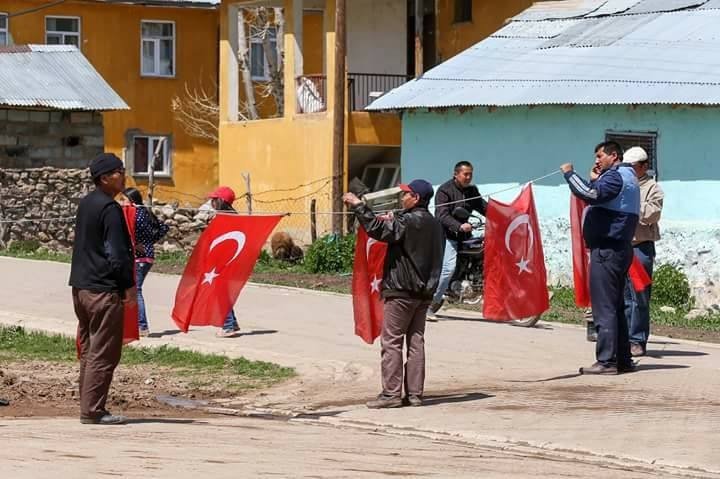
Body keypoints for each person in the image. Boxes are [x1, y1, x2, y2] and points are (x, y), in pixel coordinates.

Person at [343, 179, 444, 408]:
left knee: (392, 342)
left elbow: (378, 229)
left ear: (416, 198)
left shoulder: (406, 221)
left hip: (401, 291)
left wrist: (358, 205)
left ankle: (391, 394)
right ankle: (415, 394)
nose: (402, 197)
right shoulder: (437, 225)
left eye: (406, 194)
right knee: (416, 342)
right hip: (425, 292)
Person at [561, 141, 639, 375]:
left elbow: (590, 194)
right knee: (615, 306)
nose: (596, 161)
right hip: (618, 248)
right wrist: (596, 178)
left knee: (604, 307)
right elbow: (602, 194)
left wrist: (569, 174)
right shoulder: (628, 176)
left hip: (607, 250)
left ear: (614, 155)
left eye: (600, 156)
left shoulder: (616, 177)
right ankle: (623, 359)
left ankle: (607, 361)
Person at [69, 153, 135, 425]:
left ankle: (88, 406)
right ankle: (93, 410)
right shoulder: (110, 209)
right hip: (103, 291)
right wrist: (128, 286)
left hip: (81, 288)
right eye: (118, 171)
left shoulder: (87, 204)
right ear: (105, 178)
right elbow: (117, 254)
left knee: (89, 349)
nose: (123, 175)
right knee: (104, 351)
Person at [428, 161, 488, 321]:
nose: (468, 177)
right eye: (465, 174)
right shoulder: (444, 191)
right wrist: (459, 226)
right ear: (456, 174)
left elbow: (483, 207)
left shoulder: (472, 191)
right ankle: (430, 305)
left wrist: (502, 216)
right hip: (446, 235)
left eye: (471, 174)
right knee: (448, 268)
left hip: (464, 235)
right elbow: (441, 215)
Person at [622, 147, 664, 357]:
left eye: (633, 167)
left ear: (644, 166)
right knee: (624, 296)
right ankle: (624, 338)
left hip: (640, 247)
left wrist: (630, 204)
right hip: (623, 246)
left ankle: (637, 339)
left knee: (640, 297)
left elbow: (652, 214)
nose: (629, 171)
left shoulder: (652, 188)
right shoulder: (623, 184)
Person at [122, 188, 170, 337]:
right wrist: (150, 241)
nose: (121, 203)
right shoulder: (146, 213)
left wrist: (136, 243)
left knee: (136, 291)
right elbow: (163, 227)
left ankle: (142, 326)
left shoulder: (135, 215)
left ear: (131, 201)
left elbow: (129, 232)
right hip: (147, 255)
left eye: (123, 199)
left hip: (139, 257)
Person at [208, 186, 241, 338]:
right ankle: (232, 322)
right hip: (230, 261)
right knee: (224, 293)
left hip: (224, 261)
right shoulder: (234, 217)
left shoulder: (224, 218)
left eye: (214, 200)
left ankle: (228, 326)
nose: (211, 202)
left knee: (221, 293)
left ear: (221, 201)